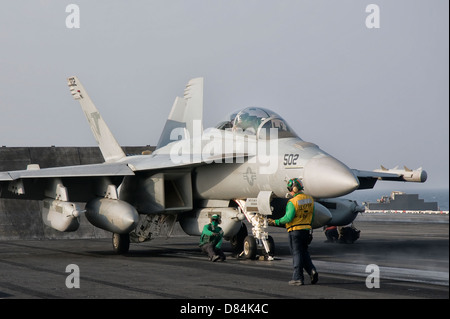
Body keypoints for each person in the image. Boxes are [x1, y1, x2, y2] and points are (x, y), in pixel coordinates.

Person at [268, 178, 318, 286]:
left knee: (297, 254)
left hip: (295, 231)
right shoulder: (310, 199)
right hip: (306, 230)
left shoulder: (292, 202)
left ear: (294, 188)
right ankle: (311, 270)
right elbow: (312, 216)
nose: (290, 191)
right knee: (304, 252)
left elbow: (288, 218)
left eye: (290, 189)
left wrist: (275, 221)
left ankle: (297, 278)